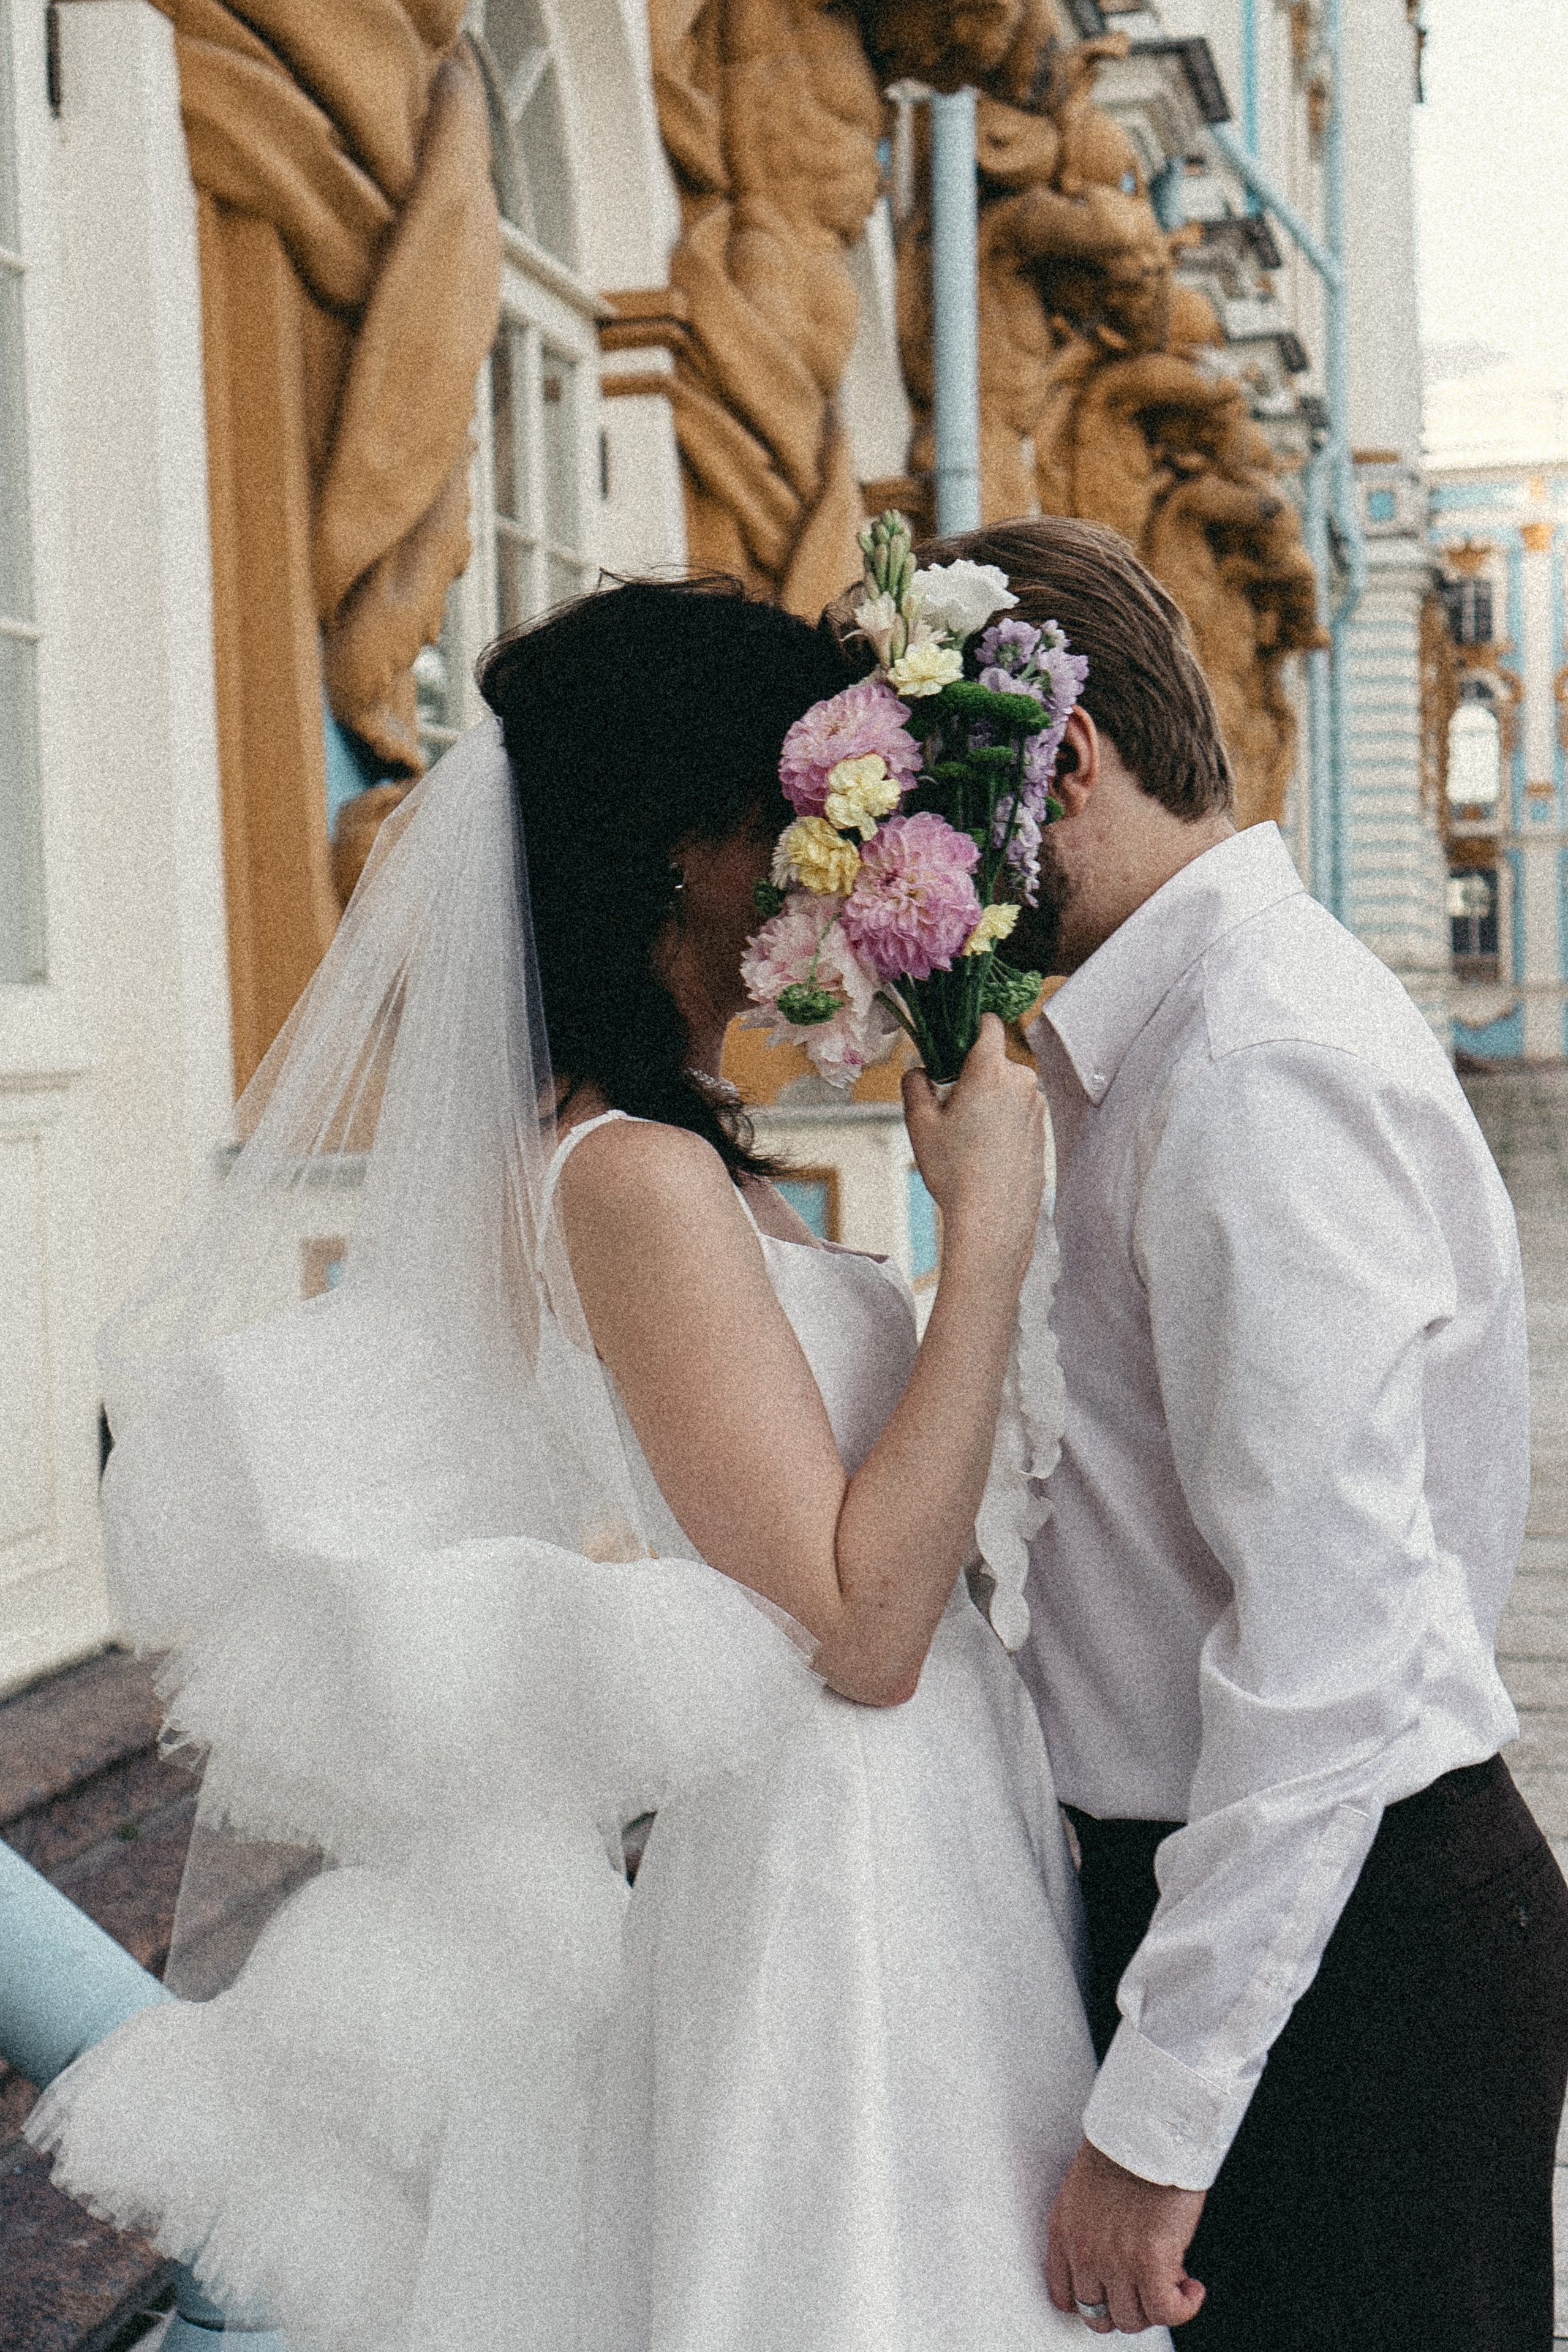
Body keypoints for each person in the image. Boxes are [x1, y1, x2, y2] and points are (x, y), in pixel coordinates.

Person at [27, 579, 1131, 2350]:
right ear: (689, 847)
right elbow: (854, 1631)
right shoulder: (629, 1177)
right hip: (837, 1860)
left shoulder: (680, 1148)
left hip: (920, 1835)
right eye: (796, 807)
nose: (826, 856)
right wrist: (987, 1236)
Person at [915, 517, 1568, 2347]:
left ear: (1072, 762)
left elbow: (1328, 1647)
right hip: (1269, 1920)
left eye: (929, 818)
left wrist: (1158, 2119)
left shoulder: (1253, 1063)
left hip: (1342, 1956)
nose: (925, 883)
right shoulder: (1166, 1040)